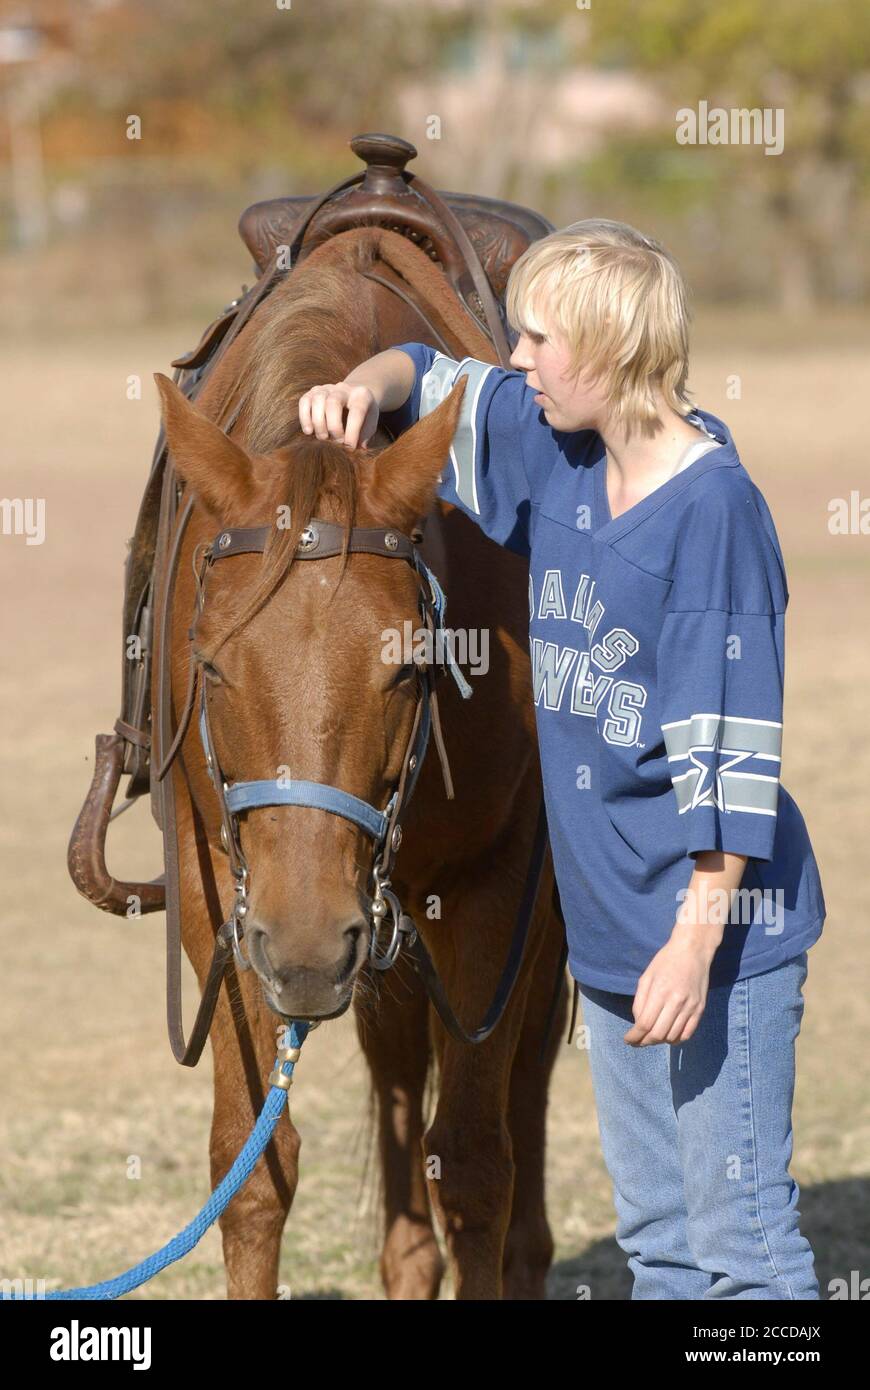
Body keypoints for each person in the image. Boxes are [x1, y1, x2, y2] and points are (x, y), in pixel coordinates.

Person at [297, 219, 826, 1300]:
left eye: (539, 340)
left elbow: (732, 757)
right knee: (663, 1243)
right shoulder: (559, 450)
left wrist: (690, 945)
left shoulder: (713, 512)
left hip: (710, 940)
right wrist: (362, 381)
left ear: (612, 351)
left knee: (746, 1250)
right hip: (616, 936)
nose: (519, 360)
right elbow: (429, 374)